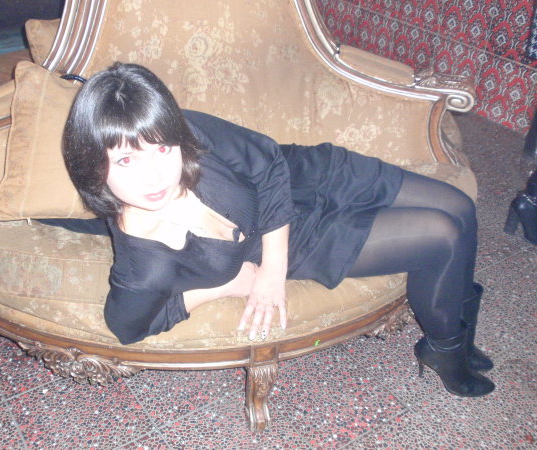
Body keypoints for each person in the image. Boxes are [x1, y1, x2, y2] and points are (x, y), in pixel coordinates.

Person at [43, 62, 495, 397]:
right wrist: (222, 286)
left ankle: (457, 326)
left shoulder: (183, 129)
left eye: (162, 149)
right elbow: (126, 328)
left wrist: (273, 272)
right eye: (126, 159)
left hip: (308, 174)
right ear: (94, 167)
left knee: (459, 205)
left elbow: (269, 162)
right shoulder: (145, 264)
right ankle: (446, 347)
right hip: (308, 240)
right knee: (441, 234)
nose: (155, 175)